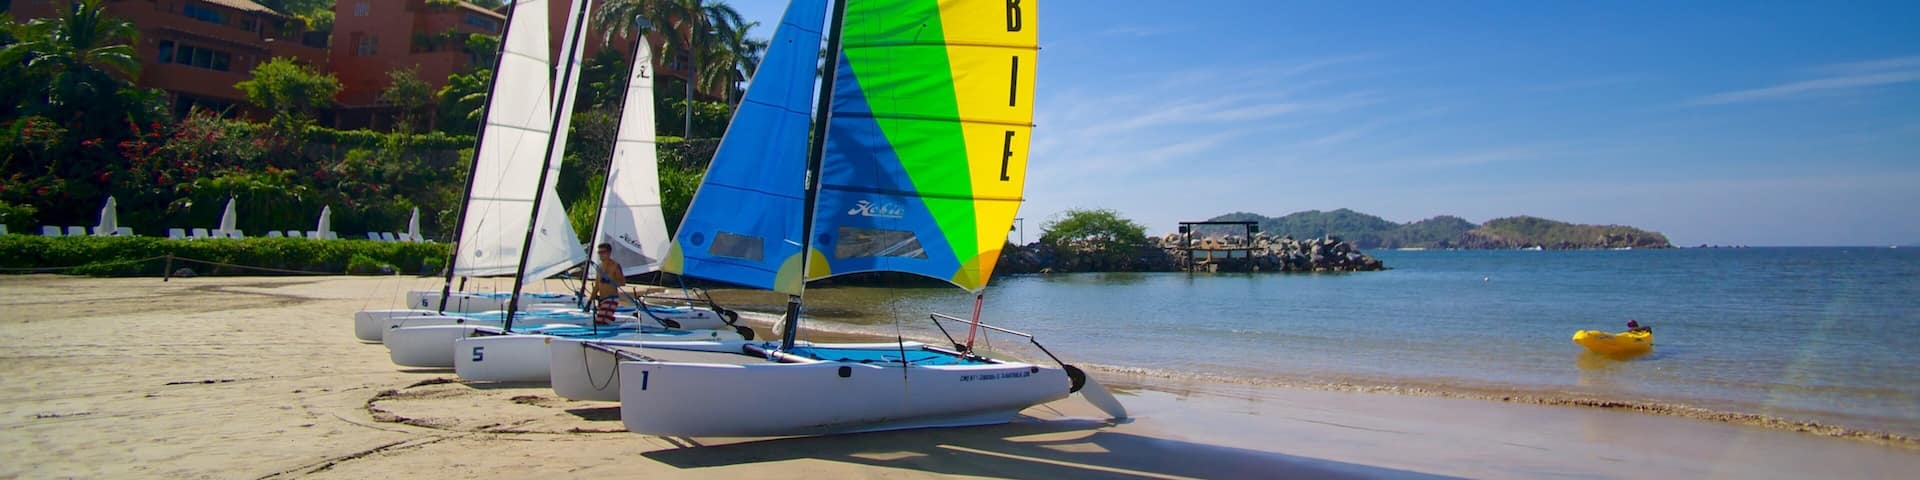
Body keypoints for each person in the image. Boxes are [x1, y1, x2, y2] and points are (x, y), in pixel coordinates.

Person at [593, 243, 625, 325]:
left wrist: (610, 281)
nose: (601, 255)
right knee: (598, 321)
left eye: (603, 252)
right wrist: (590, 300)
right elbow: (597, 285)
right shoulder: (599, 267)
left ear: (609, 253)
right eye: (599, 252)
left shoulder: (615, 266)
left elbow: (622, 282)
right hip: (602, 299)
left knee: (600, 322)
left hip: (611, 298)